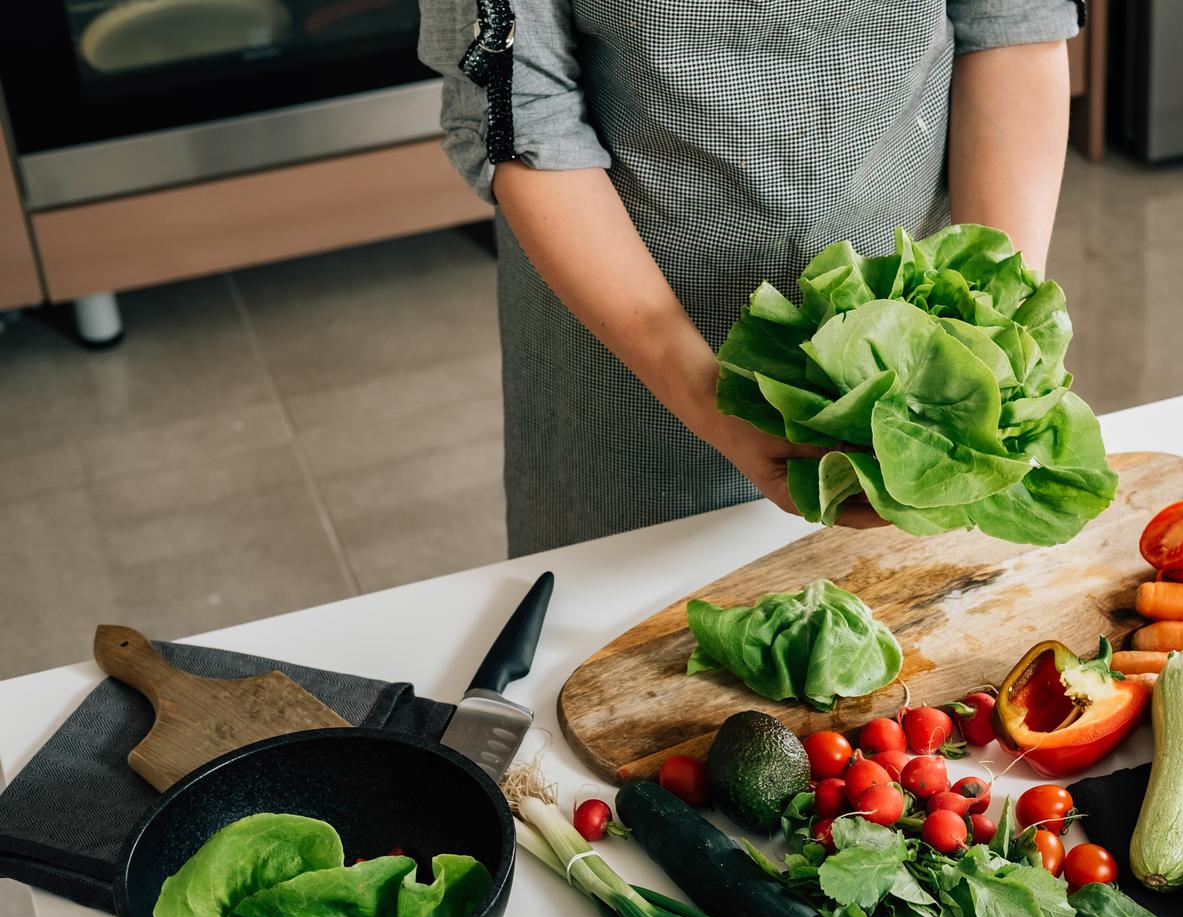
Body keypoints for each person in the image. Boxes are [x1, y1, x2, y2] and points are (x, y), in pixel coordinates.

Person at [421, 0, 1080, 556]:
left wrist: (994, 331)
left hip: (913, 395)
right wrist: (714, 402)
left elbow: (1013, 26)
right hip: (631, 377)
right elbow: (528, 117)